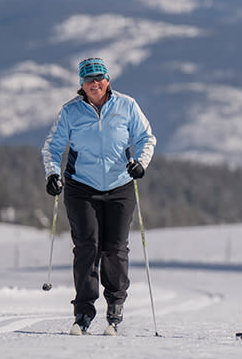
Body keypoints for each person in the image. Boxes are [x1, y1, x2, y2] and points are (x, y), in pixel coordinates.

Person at [41, 57, 156, 336]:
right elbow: (52, 148)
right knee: (87, 247)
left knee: (114, 248)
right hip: (82, 187)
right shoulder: (71, 111)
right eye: (89, 79)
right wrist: (53, 174)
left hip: (120, 186)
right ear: (81, 84)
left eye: (99, 78)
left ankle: (115, 305)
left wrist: (140, 162)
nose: (95, 83)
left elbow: (146, 138)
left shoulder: (127, 105)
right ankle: (83, 312)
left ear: (108, 80)